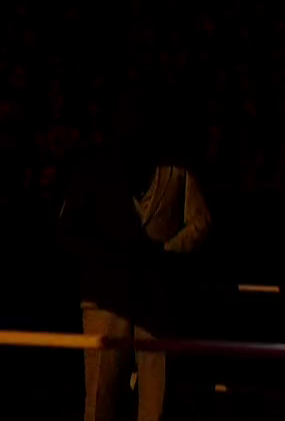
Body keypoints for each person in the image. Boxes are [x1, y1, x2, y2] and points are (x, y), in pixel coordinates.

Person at [61, 116, 213, 421]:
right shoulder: (93, 170)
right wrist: (111, 256)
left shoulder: (177, 172)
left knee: (157, 398)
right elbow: (68, 230)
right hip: (106, 297)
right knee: (101, 395)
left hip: (156, 297)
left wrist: (165, 251)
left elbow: (200, 223)